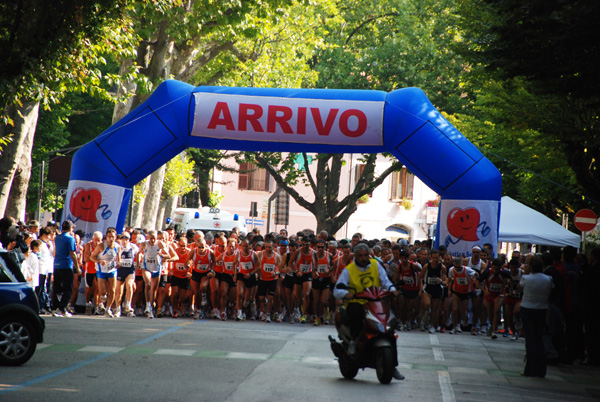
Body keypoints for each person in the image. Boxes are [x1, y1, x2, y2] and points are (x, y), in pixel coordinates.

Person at [333, 243, 404, 380]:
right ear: (356, 256)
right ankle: (353, 341)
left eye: (366, 255)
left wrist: (392, 289)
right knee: (355, 312)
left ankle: (393, 366)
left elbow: (385, 281)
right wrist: (346, 294)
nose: (363, 258)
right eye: (360, 256)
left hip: (376, 301)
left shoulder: (375, 265)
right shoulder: (349, 270)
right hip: (357, 302)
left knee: (390, 329)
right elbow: (337, 290)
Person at [520, 255, 553, 378]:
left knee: (530, 340)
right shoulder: (548, 279)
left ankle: (530, 368)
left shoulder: (526, 278)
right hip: (542, 310)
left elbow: (519, 288)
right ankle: (540, 369)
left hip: (527, 308)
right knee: (539, 339)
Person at [52, 220, 81, 317]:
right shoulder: (70, 238)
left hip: (57, 265)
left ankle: (55, 308)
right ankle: (61, 308)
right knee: (68, 289)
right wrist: (77, 267)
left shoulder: (57, 238)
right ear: (70, 228)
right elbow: (72, 253)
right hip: (66, 265)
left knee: (57, 288)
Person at [90, 227, 121, 317]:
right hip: (101, 270)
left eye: (113, 237)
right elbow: (92, 257)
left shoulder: (118, 247)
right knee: (103, 292)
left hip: (112, 270)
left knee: (113, 290)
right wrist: (99, 261)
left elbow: (118, 259)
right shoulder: (101, 246)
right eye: (109, 237)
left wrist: (119, 263)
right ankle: (102, 303)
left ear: (115, 237)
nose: (111, 239)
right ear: (106, 237)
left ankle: (108, 309)